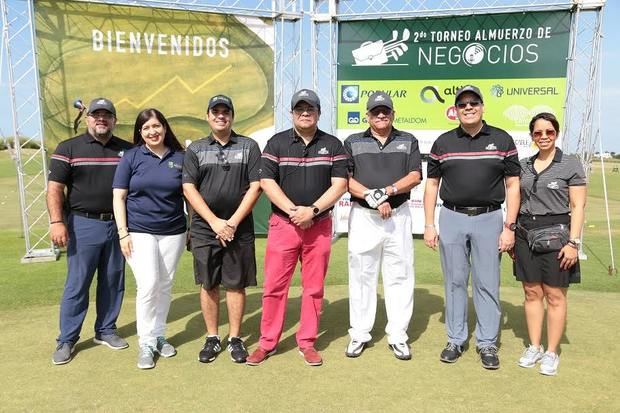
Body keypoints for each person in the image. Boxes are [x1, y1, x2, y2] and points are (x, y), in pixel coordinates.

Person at [246, 89, 348, 367]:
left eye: (310, 108)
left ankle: (307, 342)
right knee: (274, 288)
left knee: (313, 288)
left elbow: (339, 185)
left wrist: (312, 211)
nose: (305, 113)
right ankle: (267, 343)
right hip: (284, 224)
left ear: (318, 112)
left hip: (319, 225)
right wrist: (294, 212)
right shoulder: (277, 143)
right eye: (299, 109)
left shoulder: (333, 144)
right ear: (291, 113)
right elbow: (267, 182)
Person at [423, 85, 520, 370]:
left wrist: (509, 226)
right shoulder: (443, 143)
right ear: (456, 109)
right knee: (454, 281)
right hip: (452, 217)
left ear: (482, 106)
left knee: (487, 282)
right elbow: (431, 185)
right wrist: (428, 224)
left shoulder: (502, 139)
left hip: (490, 218)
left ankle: (487, 343)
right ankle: (455, 339)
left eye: (473, 102)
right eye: (462, 103)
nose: (468, 107)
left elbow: (513, 186)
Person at [48, 98, 133, 365]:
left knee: (112, 280)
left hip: (118, 225)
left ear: (114, 120)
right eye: (96, 115)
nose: (101, 119)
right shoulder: (69, 148)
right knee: (78, 283)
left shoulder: (128, 150)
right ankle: (67, 339)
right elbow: (54, 189)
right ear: (88, 119)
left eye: (107, 115)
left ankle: (106, 330)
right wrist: (56, 221)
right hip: (82, 223)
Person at [182, 95, 262, 364]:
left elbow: (256, 186)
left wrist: (232, 222)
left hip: (238, 226)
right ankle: (213, 337)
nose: (220, 116)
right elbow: (189, 188)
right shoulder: (195, 149)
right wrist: (215, 222)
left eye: (225, 111)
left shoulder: (249, 146)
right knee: (209, 282)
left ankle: (235, 338)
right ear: (207, 116)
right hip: (206, 227)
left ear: (232, 116)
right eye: (215, 111)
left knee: (236, 284)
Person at [343, 91, 422, 360]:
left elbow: (414, 176)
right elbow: (345, 179)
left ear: (392, 113)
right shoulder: (353, 141)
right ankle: (360, 334)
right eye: (375, 111)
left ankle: (398, 335)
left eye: (385, 111)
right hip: (364, 216)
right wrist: (372, 197)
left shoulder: (407, 140)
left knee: (399, 275)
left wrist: (385, 192)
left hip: (397, 215)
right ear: (367, 115)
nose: (380, 115)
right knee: (362, 276)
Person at [513, 112, 586, 376]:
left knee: (555, 295)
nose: (544, 137)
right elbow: (515, 200)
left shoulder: (570, 163)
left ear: (556, 133)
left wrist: (574, 243)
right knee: (532, 293)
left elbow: (578, 206)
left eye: (549, 132)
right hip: (525, 233)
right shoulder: (523, 165)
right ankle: (534, 346)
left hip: (558, 235)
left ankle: (552, 352)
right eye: (538, 133)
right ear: (532, 136)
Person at [112, 108, 186, 369]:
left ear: (164, 127)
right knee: (149, 284)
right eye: (146, 128)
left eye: (156, 126)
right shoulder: (132, 157)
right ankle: (146, 342)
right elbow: (118, 197)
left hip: (174, 231)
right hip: (139, 231)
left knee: (165, 284)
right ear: (140, 133)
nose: (152, 132)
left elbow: (188, 195)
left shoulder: (180, 157)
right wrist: (123, 233)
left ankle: (159, 335)